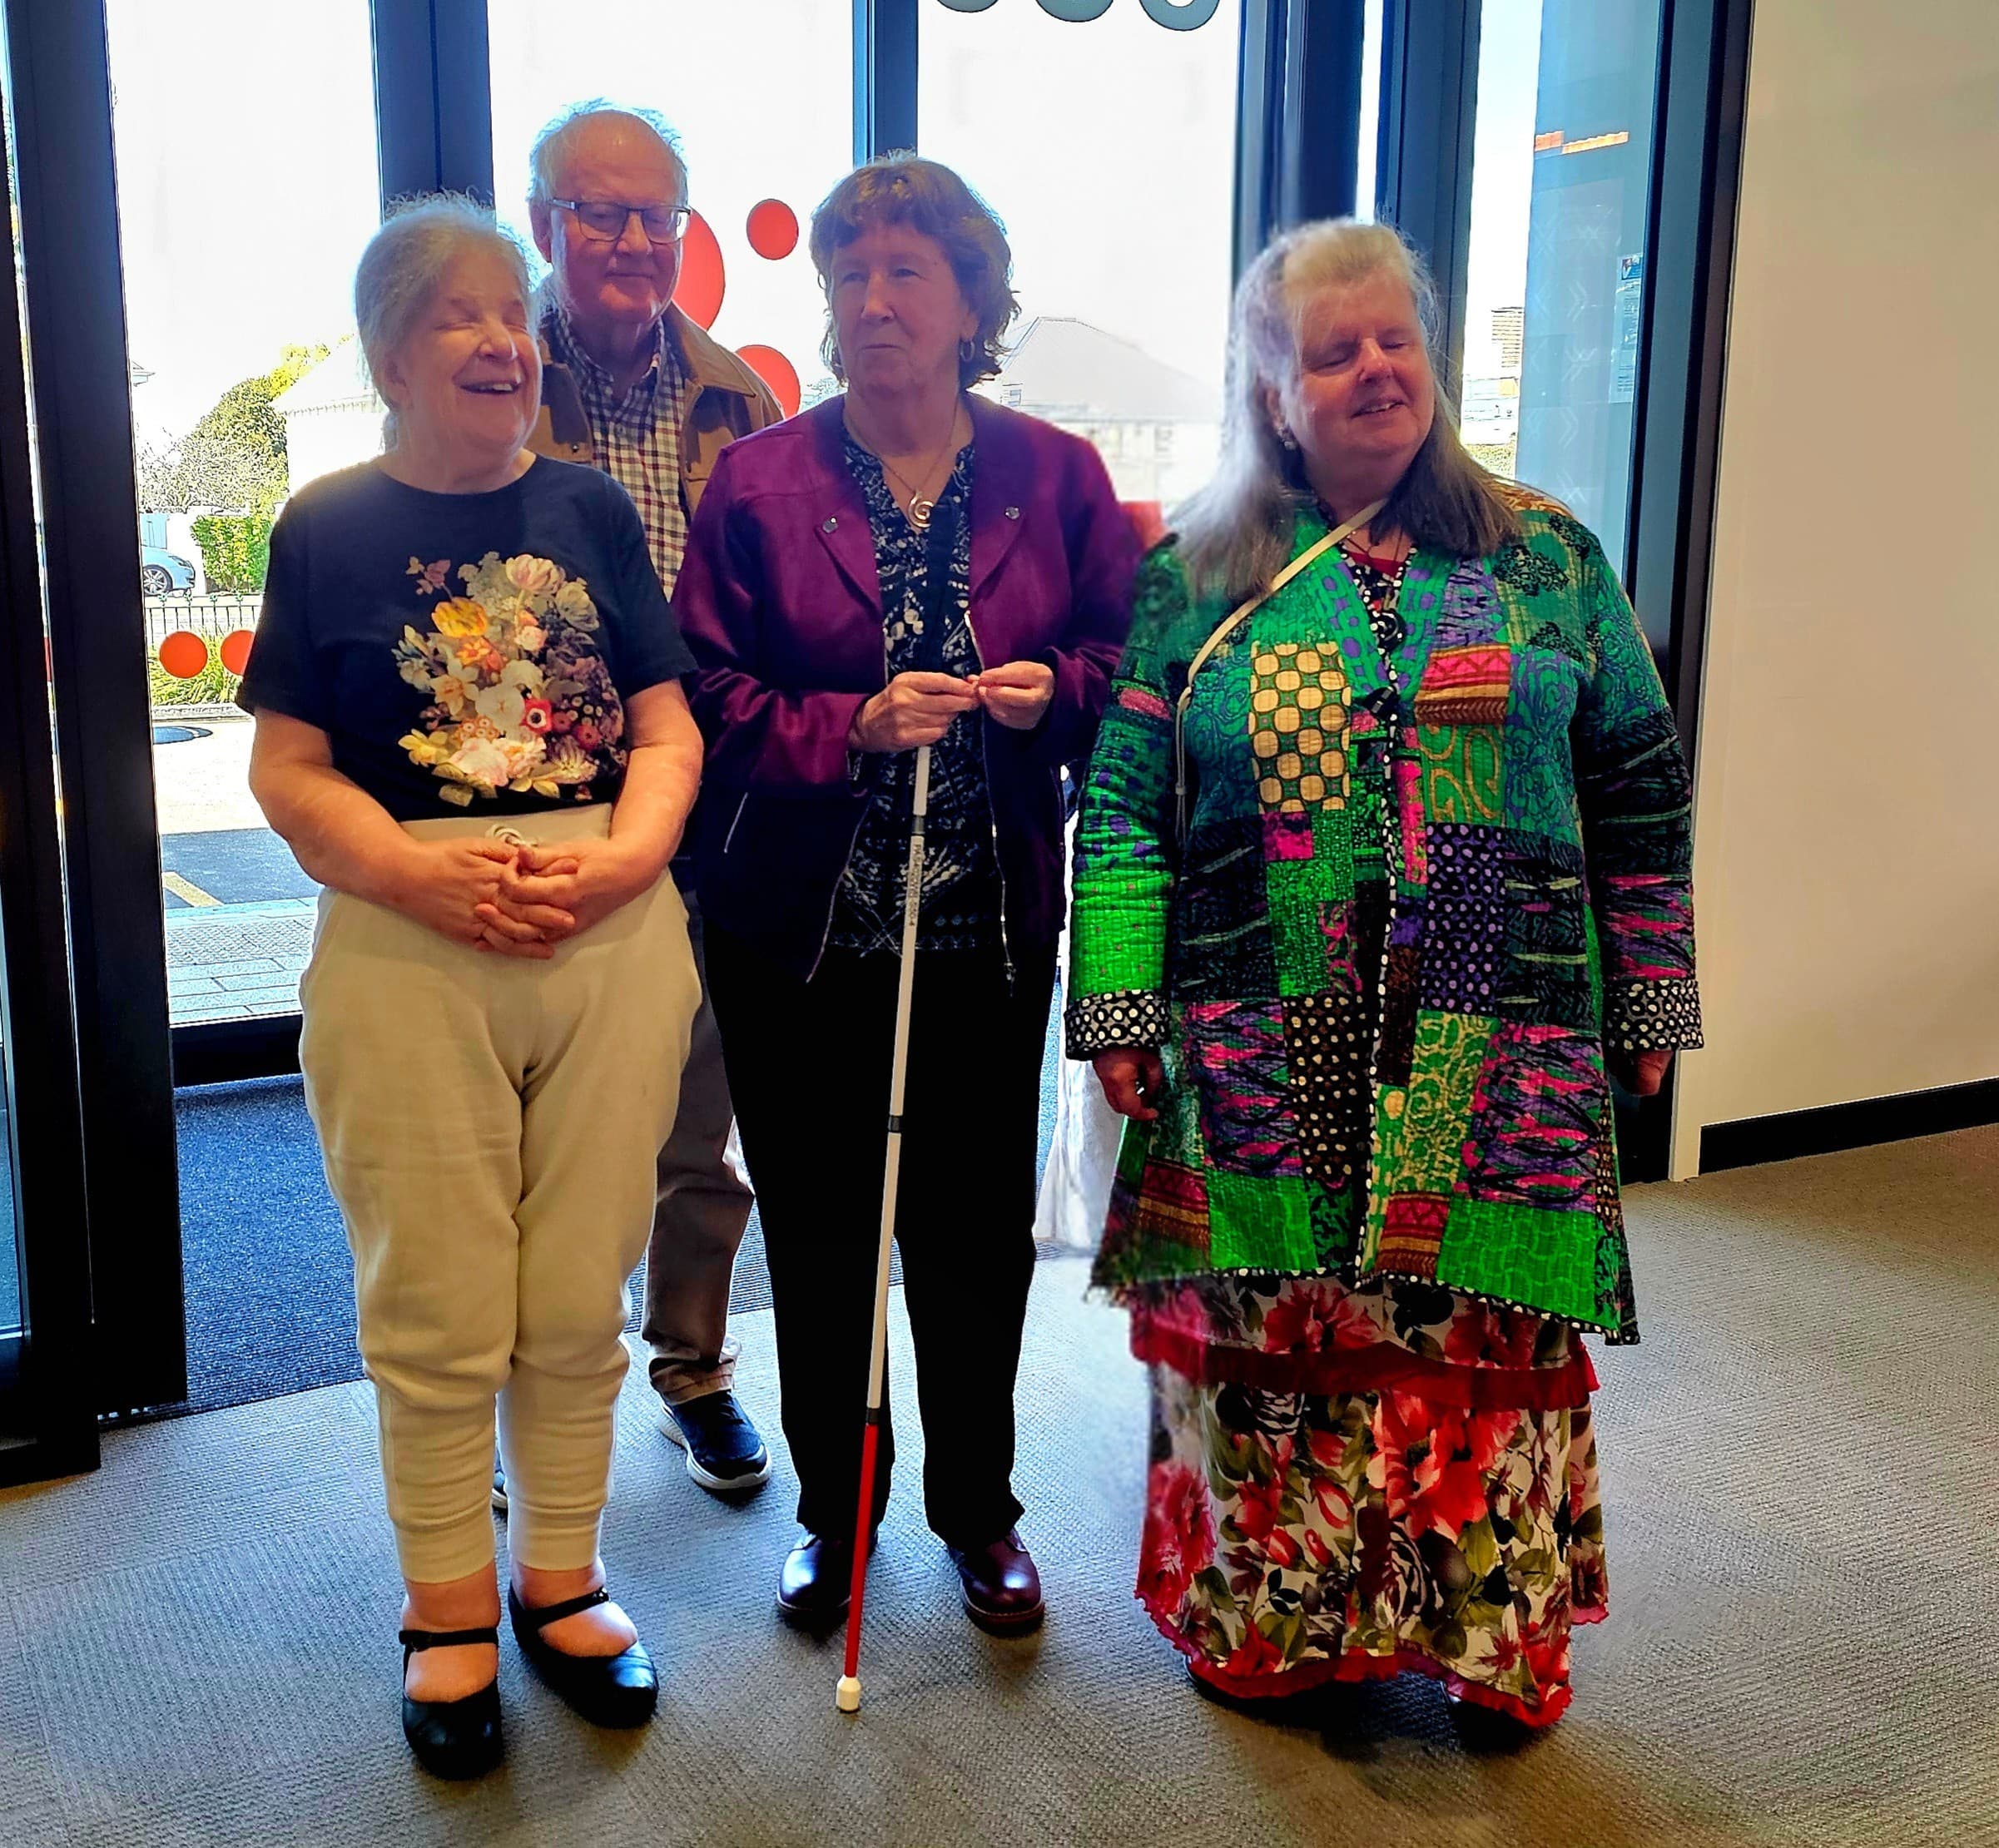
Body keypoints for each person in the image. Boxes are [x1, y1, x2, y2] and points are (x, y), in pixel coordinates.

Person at [1065, 219, 1702, 1728]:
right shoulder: (1199, 575)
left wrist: (1653, 994)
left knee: (1473, 1316)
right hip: (1254, 1041)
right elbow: (1126, 806)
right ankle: (1281, 1626)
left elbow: (1636, 783)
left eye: (1393, 339)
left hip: (1502, 1041)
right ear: (1271, 391)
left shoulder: (1546, 556)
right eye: (1329, 350)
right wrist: (1117, 1003)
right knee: (1285, 1322)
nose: (1371, 371)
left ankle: (1487, 1631)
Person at [242, 196, 703, 1776]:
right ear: (389, 351)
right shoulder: (322, 526)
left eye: (517, 313)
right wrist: (412, 871)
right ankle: (445, 1611)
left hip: (610, 939)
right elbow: (288, 765)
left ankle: (560, 1574)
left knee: (580, 1291)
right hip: (401, 946)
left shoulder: (587, 508)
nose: (508, 339)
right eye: (464, 314)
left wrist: (635, 856)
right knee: (434, 1304)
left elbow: (666, 725)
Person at [675, 154, 1138, 1633]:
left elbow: (1130, 677)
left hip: (987, 927)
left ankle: (978, 1510)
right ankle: (837, 1514)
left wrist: (1045, 695)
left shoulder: (1055, 477)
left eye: (906, 274)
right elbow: (702, 698)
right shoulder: (760, 481)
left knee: (968, 1232)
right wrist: (849, 726)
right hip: (799, 938)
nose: (872, 303)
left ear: (970, 302)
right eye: (849, 277)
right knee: (818, 1234)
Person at [512, 100, 781, 1498]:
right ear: (544, 220)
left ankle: (689, 1365)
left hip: (711, 810)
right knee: (523, 1116)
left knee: (697, 1118)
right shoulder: (496, 376)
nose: (628, 239)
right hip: (534, 814)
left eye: (652, 216)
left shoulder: (741, 401)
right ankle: (509, 1389)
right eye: (596, 211)